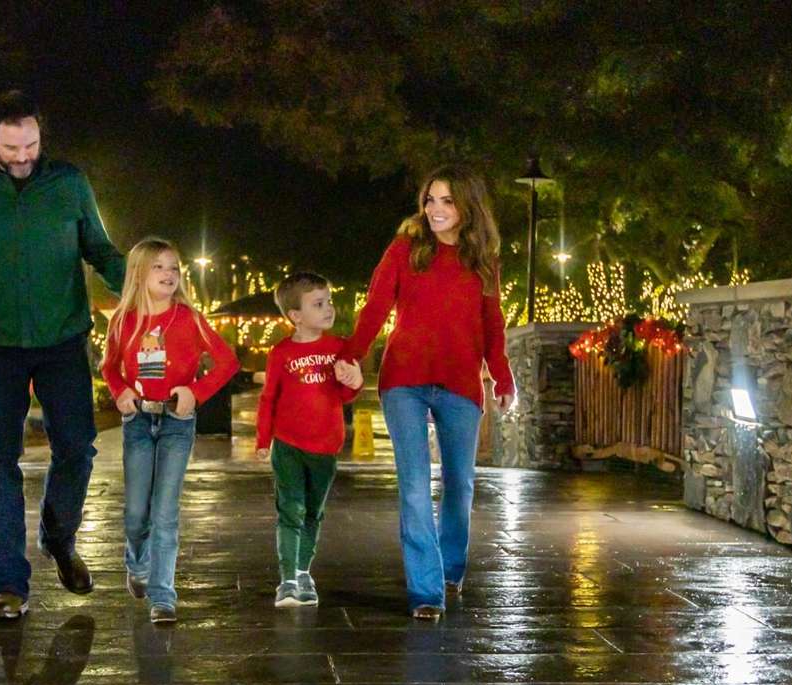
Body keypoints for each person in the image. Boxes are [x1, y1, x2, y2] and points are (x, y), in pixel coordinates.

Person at [0, 90, 126, 621]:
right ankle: (9, 583)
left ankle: (59, 538)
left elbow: (100, 249)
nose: (22, 156)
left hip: (64, 340)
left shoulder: (69, 184)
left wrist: (142, 287)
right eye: (12, 146)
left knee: (78, 449)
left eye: (31, 144)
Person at [341, 164, 515, 620]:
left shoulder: (484, 259)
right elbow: (376, 304)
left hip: (460, 383)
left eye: (447, 201)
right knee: (415, 487)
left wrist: (502, 374)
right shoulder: (406, 248)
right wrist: (354, 353)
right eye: (430, 200)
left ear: (468, 206)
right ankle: (426, 590)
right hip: (405, 381)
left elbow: (491, 325)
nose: (435, 210)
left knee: (460, 484)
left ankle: (450, 565)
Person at [100, 238, 240, 625]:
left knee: (165, 511)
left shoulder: (188, 318)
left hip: (178, 422)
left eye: (174, 267)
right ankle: (137, 563)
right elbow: (109, 367)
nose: (169, 274)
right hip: (138, 423)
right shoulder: (123, 320)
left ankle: (163, 595)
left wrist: (195, 392)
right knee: (135, 512)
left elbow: (227, 363)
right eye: (159, 267)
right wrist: (121, 391)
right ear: (139, 273)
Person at [255, 271, 363, 607]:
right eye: (319, 304)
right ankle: (287, 579)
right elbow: (268, 398)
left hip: (326, 446)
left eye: (329, 301)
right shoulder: (281, 354)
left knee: (314, 512)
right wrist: (262, 440)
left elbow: (346, 395)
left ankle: (304, 571)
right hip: (287, 445)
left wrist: (353, 379)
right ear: (296, 316)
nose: (329, 308)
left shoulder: (339, 347)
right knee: (290, 509)